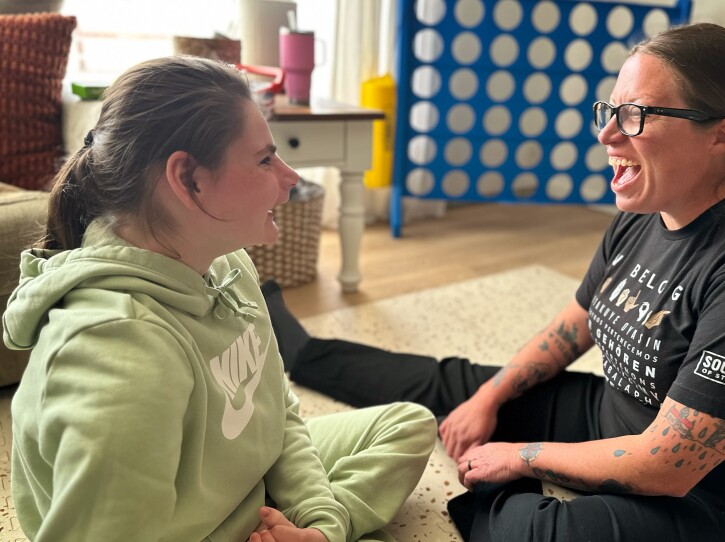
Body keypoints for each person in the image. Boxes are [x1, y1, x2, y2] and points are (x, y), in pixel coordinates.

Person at [273, 23, 725, 542]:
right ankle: (306, 353)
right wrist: (488, 399)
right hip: (620, 419)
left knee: (525, 530)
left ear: (721, 135)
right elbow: (574, 325)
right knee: (459, 387)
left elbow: (668, 465)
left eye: (637, 116)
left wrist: (520, 456)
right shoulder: (650, 210)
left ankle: (510, 500)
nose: (608, 135)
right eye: (609, 112)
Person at [2, 56, 436, 542]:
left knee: (409, 423)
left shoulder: (226, 261)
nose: (291, 177)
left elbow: (276, 410)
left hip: (243, 477)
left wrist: (321, 526)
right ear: (188, 180)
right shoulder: (117, 354)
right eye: (265, 159)